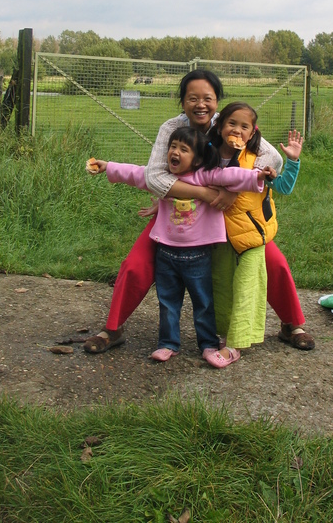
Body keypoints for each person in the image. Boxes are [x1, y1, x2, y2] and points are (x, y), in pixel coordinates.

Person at [83, 68, 315, 354]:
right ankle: (112, 329)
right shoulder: (172, 129)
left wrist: (233, 190)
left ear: (217, 100)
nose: (200, 104)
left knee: (272, 260)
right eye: (192, 98)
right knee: (136, 264)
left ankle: (292, 324)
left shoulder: (230, 124)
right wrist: (204, 193)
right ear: (183, 102)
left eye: (208, 98)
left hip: (229, 217)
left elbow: (273, 158)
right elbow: (155, 177)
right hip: (181, 214)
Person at [87, 127, 270, 363]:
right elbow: (135, 174)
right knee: (168, 302)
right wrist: (108, 166)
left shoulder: (206, 175)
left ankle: (208, 343)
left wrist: (257, 177)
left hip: (199, 255)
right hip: (166, 253)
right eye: (173, 147)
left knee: (203, 303)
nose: (175, 152)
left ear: (198, 158)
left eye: (184, 149)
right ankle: (168, 343)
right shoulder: (164, 180)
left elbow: (231, 176)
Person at [207, 102, 303, 367]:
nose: (236, 130)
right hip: (220, 237)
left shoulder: (258, 161)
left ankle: (235, 345)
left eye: (244, 126)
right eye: (231, 124)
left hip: (252, 236)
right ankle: (222, 336)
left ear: (252, 134)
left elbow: (282, 187)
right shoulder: (208, 155)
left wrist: (293, 160)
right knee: (222, 287)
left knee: (248, 287)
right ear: (219, 126)